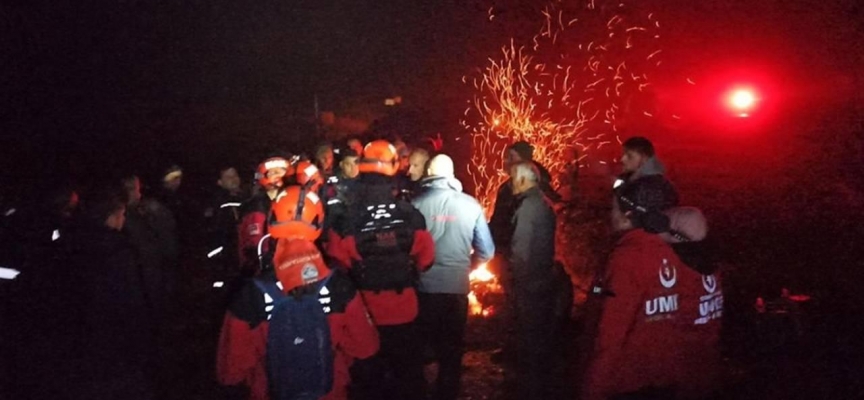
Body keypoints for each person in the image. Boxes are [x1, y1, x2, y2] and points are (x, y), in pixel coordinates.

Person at [217, 185, 379, 400]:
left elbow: (230, 371)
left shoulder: (250, 292)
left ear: (271, 221)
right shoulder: (339, 285)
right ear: (318, 224)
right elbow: (366, 347)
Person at [326, 139, 435, 400]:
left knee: (368, 382)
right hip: (404, 310)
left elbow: (337, 262)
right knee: (408, 379)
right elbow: (427, 259)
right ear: (394, 167)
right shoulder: (410, 215)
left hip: (363, 314)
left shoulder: (346, 218)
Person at [582, 179, 705, 400]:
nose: (610, 214)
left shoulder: (627, 257)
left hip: (628, 383)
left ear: (628, 215)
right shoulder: (675, 250)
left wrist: (592, 390)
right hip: (666, 379)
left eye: (614, 208)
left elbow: (609, 336)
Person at [411, 154, 495, 400]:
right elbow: (487, 251)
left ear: (429, 174)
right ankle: (447, 394)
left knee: (423, 346)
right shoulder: (471, 205)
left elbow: (409, 247)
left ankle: (420, 391)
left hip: (424, 287)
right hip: (456, 289)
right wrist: (467, 267)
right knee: (451, 349)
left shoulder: (415, 204)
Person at [66, 186, 154, 399]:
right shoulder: (119, 251)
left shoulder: (72, 244)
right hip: (117, 336)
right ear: (111, 217)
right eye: (122, 215)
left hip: (83, 336)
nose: (123, 220)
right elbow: (132, 299)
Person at [506, 161, 557, 400]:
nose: (510, 183)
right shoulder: (544, 203)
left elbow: (521, 250)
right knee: (540, 332)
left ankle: (529, 386)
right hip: (542, 276)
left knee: (529, 333)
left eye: (513, 178)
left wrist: (513, 277)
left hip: (529, 281)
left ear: (525, 180)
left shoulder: (527, 207)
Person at [238, 157, 292, 276]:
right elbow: (256, 245)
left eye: (281, 170)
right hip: (267, 271)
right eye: (273, 172)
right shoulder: (256, 207)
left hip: (293, 264)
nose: (278, 175)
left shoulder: (295, 200)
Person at [203, 166, 245, 279]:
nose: (234, 179)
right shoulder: (218, 204)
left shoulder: (248, 198)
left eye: (235, 175)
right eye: (228, 177)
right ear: (220, 182)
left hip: (246, 257)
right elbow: (216, 235)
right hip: (228, 261)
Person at [615, 136, 678, 208]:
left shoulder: (651, 186)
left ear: (644, 158)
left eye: (629, 156)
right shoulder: (629, 179)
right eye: (623, 154)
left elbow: (640, 215)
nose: (622, 159)